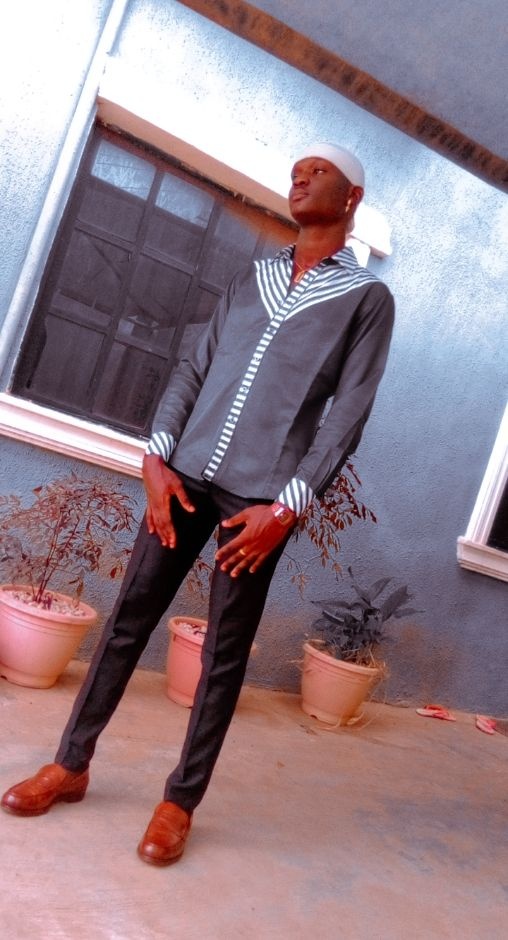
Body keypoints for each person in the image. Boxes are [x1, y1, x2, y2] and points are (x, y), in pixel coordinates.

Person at [1, 142, 395, 865]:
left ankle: (179, 802)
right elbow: (192, 367)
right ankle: (70, 764)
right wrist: (154, 458)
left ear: (351, 199)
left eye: (320, 172)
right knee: (127, 622)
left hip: (260, 501)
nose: (300, 176)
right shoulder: (251, 279)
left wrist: (287, 509)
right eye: (297, 168)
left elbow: (348, 415)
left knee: (222, 653)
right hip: (183, 476)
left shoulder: (365, 300)